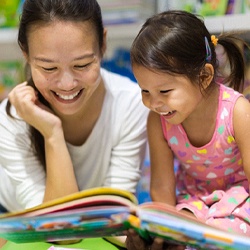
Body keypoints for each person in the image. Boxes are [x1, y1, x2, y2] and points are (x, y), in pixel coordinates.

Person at [0, 0, 148, 214]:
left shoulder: (130, 104)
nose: (67, 84)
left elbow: (114, 214)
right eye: (48, 68)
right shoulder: (11, 119)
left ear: (103, 44)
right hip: (12, 217)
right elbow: (54, 227)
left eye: (82, 65)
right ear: (26, 54)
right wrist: (52, 134)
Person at [126, 10, 250, 250]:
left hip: (240, 198)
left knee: (219, 236)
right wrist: (165, 226)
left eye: (164, 92)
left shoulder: (238, 111)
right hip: (195, 200)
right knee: (174, 236)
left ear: (204, 76)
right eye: (145, 91)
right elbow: (162, 188)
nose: (154, 103)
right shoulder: (158, 120)